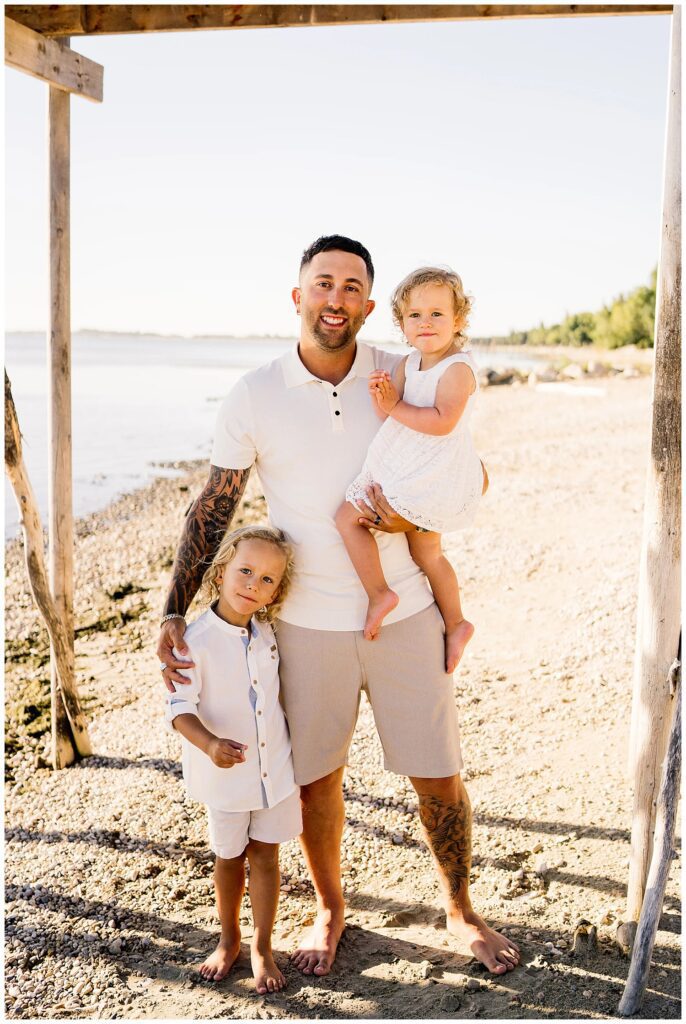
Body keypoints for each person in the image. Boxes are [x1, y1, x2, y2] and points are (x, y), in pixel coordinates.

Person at [158, 235, 520, 977]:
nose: (337, 299)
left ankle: (459, 908)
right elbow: (214, 506)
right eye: (324, 284)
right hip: (304, 624)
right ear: (298, 296)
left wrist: (409, 521)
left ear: (368, 303)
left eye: (353, 287)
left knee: (438, 774)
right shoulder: (254, 393)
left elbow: (469, 475)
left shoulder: (404, 369)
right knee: (318, 779)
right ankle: (330, 907)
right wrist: (173, 608)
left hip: (409, 611)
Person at [165, 526, 301, 994]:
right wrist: (209, 745)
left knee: (267, 855)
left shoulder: (268, 633)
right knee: (229, 856)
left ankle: (263, 946)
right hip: (225, 779)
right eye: (245, 571)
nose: (253, 585)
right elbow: (179, 710)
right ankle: (228, 939)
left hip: (274, 772)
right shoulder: (194, 641)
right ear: (221, 571)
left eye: (267, 580)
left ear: (276, 591)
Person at [335, 266, 483, 672]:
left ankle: (384, 595)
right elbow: (392, 416)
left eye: (438, 313)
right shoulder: (408, 364)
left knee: (352, 519)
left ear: (459, 319)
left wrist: (393, 406)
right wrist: (384, 395)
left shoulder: (456, 368)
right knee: (425, 552)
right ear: (402, 325)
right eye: (415, 315)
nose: (426, 323)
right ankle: (457, 623)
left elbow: (442, 421)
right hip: (409, 462)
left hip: (430, 470)